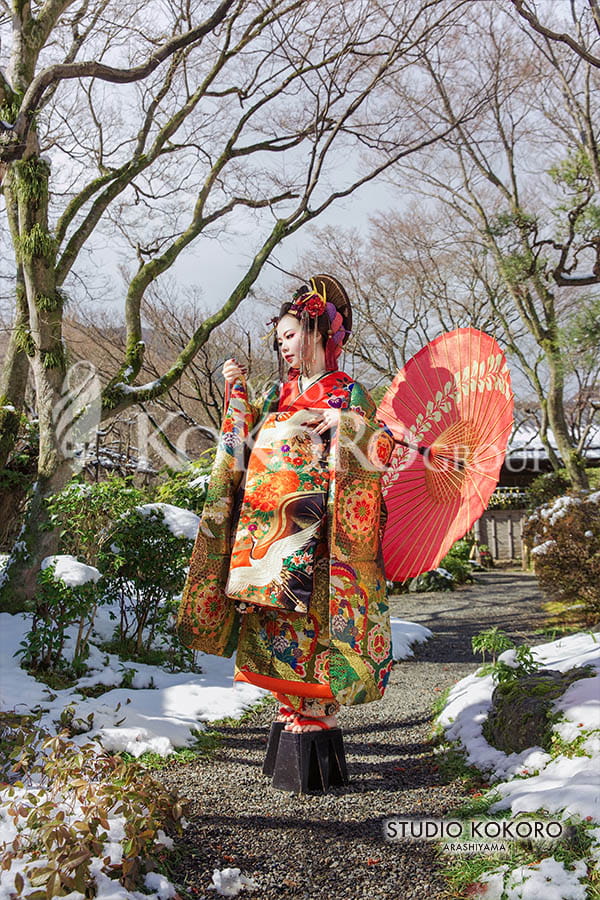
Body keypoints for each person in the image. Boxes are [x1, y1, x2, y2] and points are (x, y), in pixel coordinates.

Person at [177, 274, 395, 734]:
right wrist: (236, 391)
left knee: (316, 624)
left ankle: (318, 712)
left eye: (291, 336)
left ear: (318, 332)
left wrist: (344, 422)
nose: (284, 348)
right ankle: (288, 705)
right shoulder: (275, 392)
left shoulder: (349, 393)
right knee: (274, 626)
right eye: (279, 340)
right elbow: (244, 441)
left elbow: (380, 449)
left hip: (321, 540)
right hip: (270, 535)